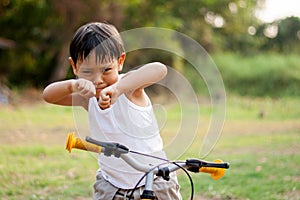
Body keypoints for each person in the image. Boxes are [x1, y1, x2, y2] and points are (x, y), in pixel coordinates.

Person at [43, 22, 182, 200]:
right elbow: (49, 96)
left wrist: (118, 89)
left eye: (106, 69)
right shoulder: (87, 97)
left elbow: (159, 69)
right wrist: (72, 85)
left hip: (154, 179)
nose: (98, 80)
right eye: (87, 71)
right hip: (111, 184)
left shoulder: (130, 87)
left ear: (120, 62)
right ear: (75, 67)